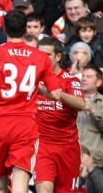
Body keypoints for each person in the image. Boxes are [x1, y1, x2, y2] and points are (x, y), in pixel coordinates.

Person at [0, 10, 62, 192]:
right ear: (26, 30)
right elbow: (56, 94)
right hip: (25, 124)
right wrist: (36, 88)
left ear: (4, 28)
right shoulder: (41, 57)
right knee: (20, 183)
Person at [35, 37, 85, 192]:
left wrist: (56, 94)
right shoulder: (33, 80)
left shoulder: (70, 80)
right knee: (44, 189)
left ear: (58, 56)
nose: (42, 59)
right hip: (42, 145)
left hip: (67, 147)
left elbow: (81, 104)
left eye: (47, 55)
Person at [77, 66, 103, 192]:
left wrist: (93, 110)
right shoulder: (73, 100)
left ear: (98, 82)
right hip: (74, 159)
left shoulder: (102, 103)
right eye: (83, 76)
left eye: (89, 77)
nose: (84, 79)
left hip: (96, 163)